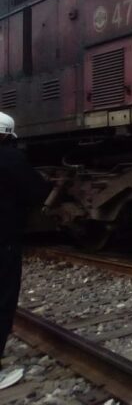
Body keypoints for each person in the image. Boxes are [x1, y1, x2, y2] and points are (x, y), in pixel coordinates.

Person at [0, 113, 48, 389]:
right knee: (2, 300)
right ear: (7, 135)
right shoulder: (10, 158)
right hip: (3, 242)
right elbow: (35, 191)